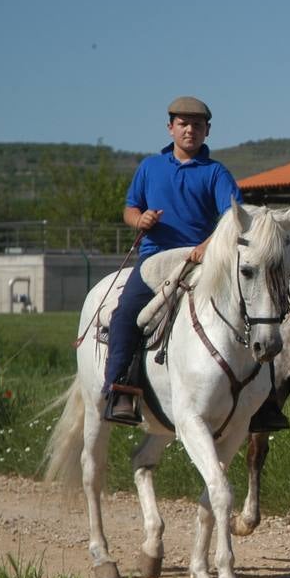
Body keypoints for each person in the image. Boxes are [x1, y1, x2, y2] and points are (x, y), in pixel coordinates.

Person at [104, 96, 253, 424]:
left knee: (252, 311)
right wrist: (139, 220)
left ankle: (260, 398)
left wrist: (208, 244)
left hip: (202, 261)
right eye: (183, 124)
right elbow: (130, 208)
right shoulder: (149, 167)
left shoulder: (216, 173)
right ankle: (119, 388)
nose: (190, 130)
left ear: (207, 131)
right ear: (170, 128)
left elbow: (233, 217)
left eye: (197, 125)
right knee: (126, 314)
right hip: (155, 260)